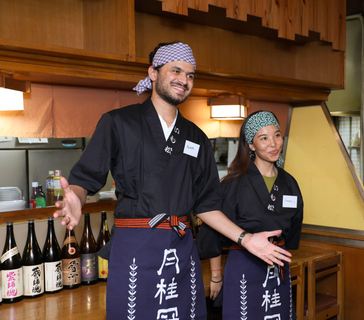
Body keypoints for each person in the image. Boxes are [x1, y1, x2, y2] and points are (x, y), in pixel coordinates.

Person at [53, 42, 292, 320]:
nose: (184, 80)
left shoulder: (197, 137)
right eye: (176, 70)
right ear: (153, 73)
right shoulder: (119, 123)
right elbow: (85, 178)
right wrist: (76, 197)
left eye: (190, 75)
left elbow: (207, 205)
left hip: (180, 248)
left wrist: (246, 239)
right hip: (136, 246)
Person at [196, 110, 304, 319]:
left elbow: (293, 231)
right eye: (263, 138)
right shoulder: (232, 184)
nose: (273, 143)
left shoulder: (290, 183)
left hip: (278, 268)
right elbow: (213, 233)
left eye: (277, 135)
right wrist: (216, 276)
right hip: (245, 265)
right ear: (251, 145)